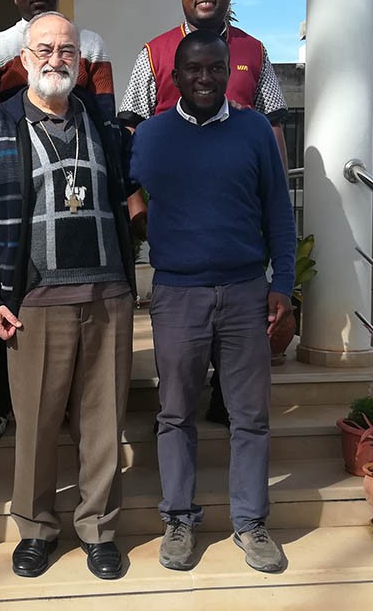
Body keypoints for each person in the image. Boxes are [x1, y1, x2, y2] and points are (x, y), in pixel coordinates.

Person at [0, 12, 137, 580]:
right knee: (36, 424)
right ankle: (37, 527)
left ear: (81, 61)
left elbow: (131, 201)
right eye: (44, 49)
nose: (56, 58)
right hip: (34, 300)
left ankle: (98, 528)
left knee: (102, 422)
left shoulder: (105, 127)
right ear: (24, 57)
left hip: (107, 294)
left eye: (66, 50)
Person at [129, 29, 296, 574]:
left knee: (250, 416)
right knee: (175, 413)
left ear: (230, 72)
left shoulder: (253, 131)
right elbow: (119, 187)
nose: (205, 78)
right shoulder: (151, 135)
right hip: (177, 294)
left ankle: (250, 522)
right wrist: (142, 218)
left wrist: (283, 285)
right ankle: (178, 517)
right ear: (174, 78)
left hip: (247, 290)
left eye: (216, 68)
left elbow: (279, 212)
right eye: (193, 70)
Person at [120, 0, 291, 425]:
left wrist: (276, 200)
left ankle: (225, 400)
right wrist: (139, 211)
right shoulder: (154, 52)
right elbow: (129, 131)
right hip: (176, 222)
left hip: (238, 217)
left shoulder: (254, 52)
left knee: (239, 352)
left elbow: (274, 129)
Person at [0, 0, 117, 441]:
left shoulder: (89, 44)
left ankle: (73, 406)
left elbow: (103, 116)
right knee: (5, 300)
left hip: (73, 172)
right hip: (15, 174)